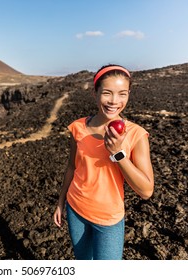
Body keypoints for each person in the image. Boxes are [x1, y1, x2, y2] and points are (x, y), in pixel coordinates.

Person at [53, 64, 154, 260]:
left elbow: (146, 191)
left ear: (129, 94)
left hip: (109, 219)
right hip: (75, 209)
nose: (114, 101)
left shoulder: (136, 135)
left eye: (122, 94)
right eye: (107, 93)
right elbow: (71, 167)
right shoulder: (78, 127)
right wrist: (60, 202)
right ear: (95, 93)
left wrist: (118, 154)